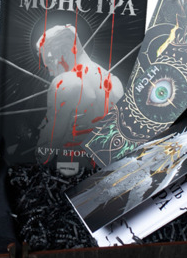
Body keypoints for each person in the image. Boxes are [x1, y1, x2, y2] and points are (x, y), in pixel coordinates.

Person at [36, 24, 123, 170]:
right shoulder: (114, 82)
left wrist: (38, 160)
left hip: (69, 169)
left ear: (64, 50)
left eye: (50, 62)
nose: (50, 72)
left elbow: (50, 143)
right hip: (105, 168)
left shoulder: (66, 83)